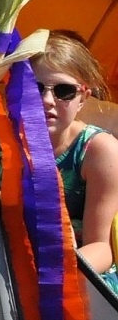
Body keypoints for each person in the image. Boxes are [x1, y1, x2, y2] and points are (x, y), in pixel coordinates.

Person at [33, 31, 118, 280]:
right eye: (36, 88)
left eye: (64, 91)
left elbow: (101, 249)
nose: (47, 99)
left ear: (83, 98)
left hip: (81, 284)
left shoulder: (99, 149)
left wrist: (51, 278)